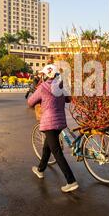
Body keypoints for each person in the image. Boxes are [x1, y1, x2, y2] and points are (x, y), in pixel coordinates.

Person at [27, 64, 78, 193]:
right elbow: (68, 99)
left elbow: (30, 102)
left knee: (56, 151)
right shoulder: (60, 86)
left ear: (46, 75)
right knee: (47, 147)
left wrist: (41, 100)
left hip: (48, 123)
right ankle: (40, 170)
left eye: (43, 74)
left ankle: (71, 181)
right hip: (60, 123)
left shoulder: (42, 87)